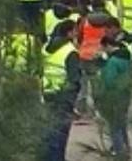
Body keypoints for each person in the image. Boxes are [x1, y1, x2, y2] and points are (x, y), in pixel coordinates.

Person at [41, 20, 81, 161]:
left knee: (47, 131)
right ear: (69, 33)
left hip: (46, 94)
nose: (78, 33)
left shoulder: (47, 47)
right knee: (60, 133)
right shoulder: (70, 52)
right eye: (76, 30)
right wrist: (73, 100)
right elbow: (74, 79)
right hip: (62, 98)